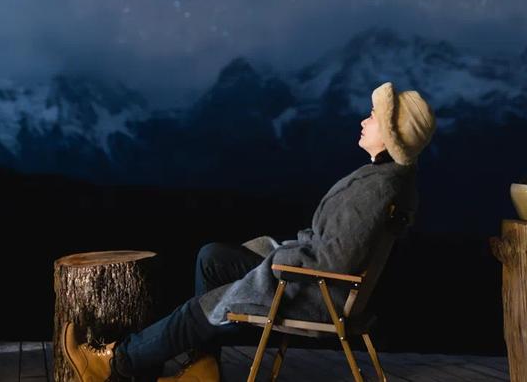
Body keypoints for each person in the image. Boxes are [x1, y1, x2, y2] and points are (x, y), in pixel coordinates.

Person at [62, 81, 436, 382]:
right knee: (213, 258)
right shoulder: (385, 178)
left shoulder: (377, 188)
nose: (364, 121)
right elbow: (334, 244)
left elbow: (334, 259)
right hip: (312, 279)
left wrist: (278, 260)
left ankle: (116, 363)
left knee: (199, 310)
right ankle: (202, 369)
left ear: (390, 133)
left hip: (314, 292)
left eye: (372, 117)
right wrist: (280, 253)